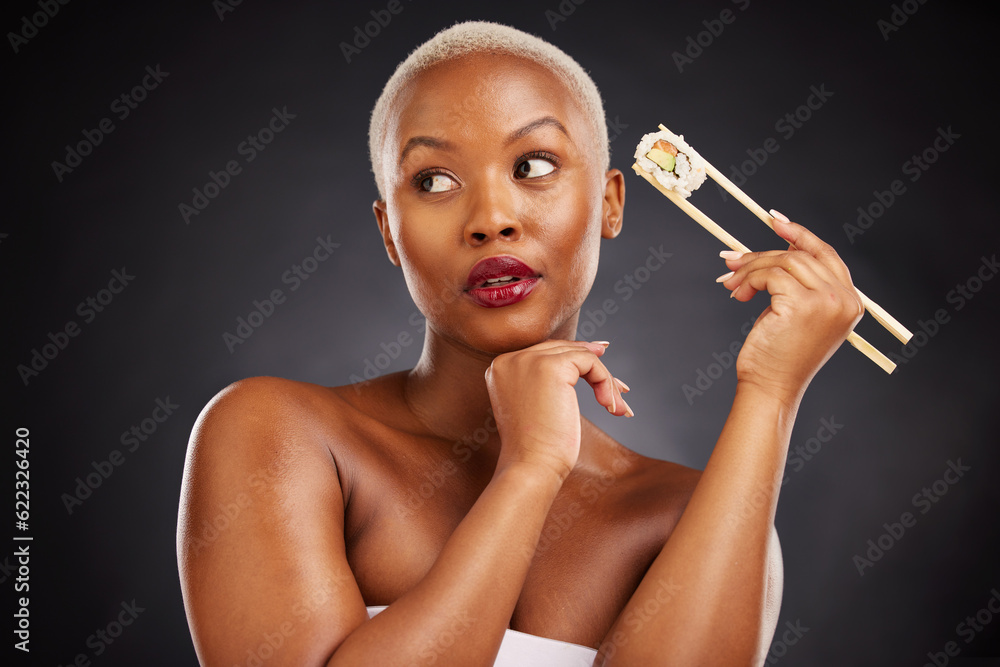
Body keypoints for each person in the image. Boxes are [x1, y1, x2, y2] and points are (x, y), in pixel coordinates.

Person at [177, 20, 863, 666]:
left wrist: (772, 392)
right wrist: (528, 471)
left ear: (610, 203)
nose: (492, 219)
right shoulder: (278, 433)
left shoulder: (685, 517)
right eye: (434, 181)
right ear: (390, 231)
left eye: (534, 165)